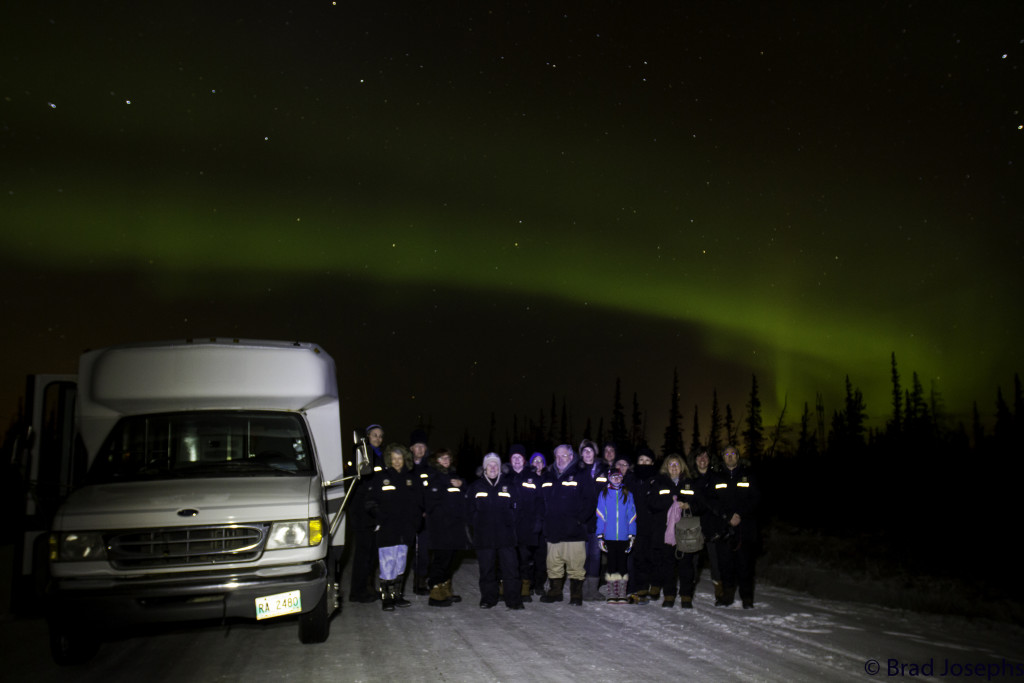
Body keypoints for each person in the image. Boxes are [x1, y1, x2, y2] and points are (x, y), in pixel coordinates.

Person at [363, 443, 423, 611]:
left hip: (405, 529)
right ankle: (386, 597)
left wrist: (417, 521)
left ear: (405, 459)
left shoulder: (411, 478)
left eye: (400, 458)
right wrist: (379, 515)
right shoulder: (381, 478)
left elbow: (419, 503)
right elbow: (369, 501)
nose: (397, 462)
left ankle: (397, 594)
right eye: (394, 458)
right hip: (387, 528)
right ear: (389, 459)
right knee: (387, 563)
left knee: (401, 562)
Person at [540, 444, 596, 606]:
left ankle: (576, 594)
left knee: (576, 564)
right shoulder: (548, 475)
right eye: (557, 456)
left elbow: (590, 500)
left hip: (574, 530)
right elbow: (540, 499)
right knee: (553, 562)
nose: (560, 459)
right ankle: (555, 591)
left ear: (571, 457)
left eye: (563, 456)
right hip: (552, 528)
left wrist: (580, 519)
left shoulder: (581, 473)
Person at [468, 452, 524, 609]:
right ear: (485, 468)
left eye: (496, 465)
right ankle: (488, 598)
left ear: (500, 468)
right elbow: (469, 511)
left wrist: (510, 524)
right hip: (484, 537)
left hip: (506, 537)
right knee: (487, 570)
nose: (493, 468)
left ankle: (513, 600)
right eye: (490, 465)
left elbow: (517, 509)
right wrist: (477, 525)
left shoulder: (509, 486)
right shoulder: (476, 487)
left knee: (511, 570)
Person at [708, 445, 761, 608]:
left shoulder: (748, 475)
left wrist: (740, 515)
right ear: (722, 457)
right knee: (725, 564)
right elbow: (711, 500)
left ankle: (747, 598)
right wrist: (727, 517)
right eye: (726, 454)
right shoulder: (716, 477)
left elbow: (756, 499)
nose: (730, 456)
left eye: (733, 454)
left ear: (738, 456)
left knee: (745, 565)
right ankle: (727, 596)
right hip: (724, 527)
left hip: (745, 529)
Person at [648, 453, 702, 608]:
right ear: (666, 467)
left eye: (676, 464)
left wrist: (688, 505)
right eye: (671, 464)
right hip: (666, 532)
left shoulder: (689, 483)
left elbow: (700, 504)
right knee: (668, 564)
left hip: (686, 532)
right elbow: (651, 503)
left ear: (682, 467)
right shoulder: (658, 482)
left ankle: (686, 596)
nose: (674, 467)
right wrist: (669, 501)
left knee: (686, 565)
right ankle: (669, 595)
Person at [423, 448, 468, 607]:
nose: (446, 461)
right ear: (436, 461)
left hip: (455, 528)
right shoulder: (434, 477)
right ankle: (435, 594)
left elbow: (464, 496)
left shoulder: (454, 476)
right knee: (441, 560)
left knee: (451, 560)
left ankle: (445, 590)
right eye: (442, 458)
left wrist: (462, 484)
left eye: (448, 458)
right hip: (441, 528)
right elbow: (432, 504)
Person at [348, 423, 386, 603]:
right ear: (367, 437)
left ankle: (368, 587)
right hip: (363, 511)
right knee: (363, 553)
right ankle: (357, 591)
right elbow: (361, 485)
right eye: (374, 435)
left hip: (374, 511)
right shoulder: (362, 455)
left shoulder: (380, 456)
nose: (378, 438)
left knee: (371, 552)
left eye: (380, 436)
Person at [509, 444, 544, 602]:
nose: (517, 460)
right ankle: (508, 588)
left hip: (527, 526)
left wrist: (538, 521)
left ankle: (525, 589)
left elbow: (540, 502)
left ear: (524, 460)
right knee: (509, 559)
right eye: (514, 457)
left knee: (525, 559)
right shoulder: (505, 477)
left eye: (519, 458)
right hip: (508, 526)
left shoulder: (533, 477)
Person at [595, 468, 637, 603]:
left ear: (622, 478)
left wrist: (632, 536)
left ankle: (622, 593)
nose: (616, 479)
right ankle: (612, 592)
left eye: (619, 477)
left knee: (623, 565)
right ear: (609, 478)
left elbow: (632, 516)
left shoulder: (628, 494)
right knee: (612, 564)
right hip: (610, 536)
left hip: (624, 537)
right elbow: (601, 516)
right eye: (613, 477)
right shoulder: (604, 493)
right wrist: (600, 536)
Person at [627, 447, 658, 603]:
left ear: (652, 462)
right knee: (637, 558)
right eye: (641, 460)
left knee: (651, 556)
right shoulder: (631, 479)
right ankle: (639, 588)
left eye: (647, 461)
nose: (644, 464)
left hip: (652, 525)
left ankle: (653, 585)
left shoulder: (657, 479)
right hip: (634, 525)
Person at [692, 448, 723, 603]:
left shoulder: (716, 478)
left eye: (706, 456)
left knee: (716, 561)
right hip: (694, 525)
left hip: (712, 525)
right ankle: (687, 592)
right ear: (695, 459)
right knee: (692, 561)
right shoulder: (690, 478)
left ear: (710, 460)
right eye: (699, 456)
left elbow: (720, 501)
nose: (702, 459)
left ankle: (720, 593)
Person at [578, 439, 603, 600]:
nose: (588, 454)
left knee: (595, 555)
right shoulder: (576, 470)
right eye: (584, 451)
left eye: (590, 450)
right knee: (582, 555)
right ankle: (581, 589)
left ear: (595, 453)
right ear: (581, 454)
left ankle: (592, 590)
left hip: (598, 521)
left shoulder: (603, 470)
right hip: (581, 521)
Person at [408, 429, 432, 596]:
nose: (420, 450)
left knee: (423, 550)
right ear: (411, 448)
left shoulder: (430, 467)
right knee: (406, 550)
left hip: (425, 517)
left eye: (422, 446)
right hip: (408, 516)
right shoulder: (405, 467)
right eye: (417, 446)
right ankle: (396, 584)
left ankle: (420, 580)